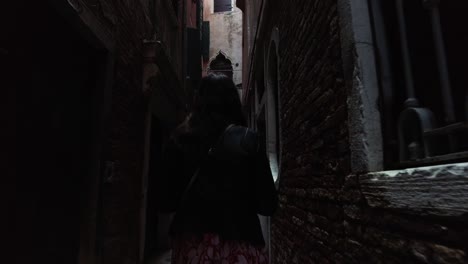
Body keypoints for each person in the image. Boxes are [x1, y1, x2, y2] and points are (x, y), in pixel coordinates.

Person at [158, 73, 278, 263]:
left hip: (193, 251)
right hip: (240, 249)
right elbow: (268, 205)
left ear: (199, 101)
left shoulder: (179, 140)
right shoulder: (249, 141)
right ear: (233, 102)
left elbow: (165, 202)